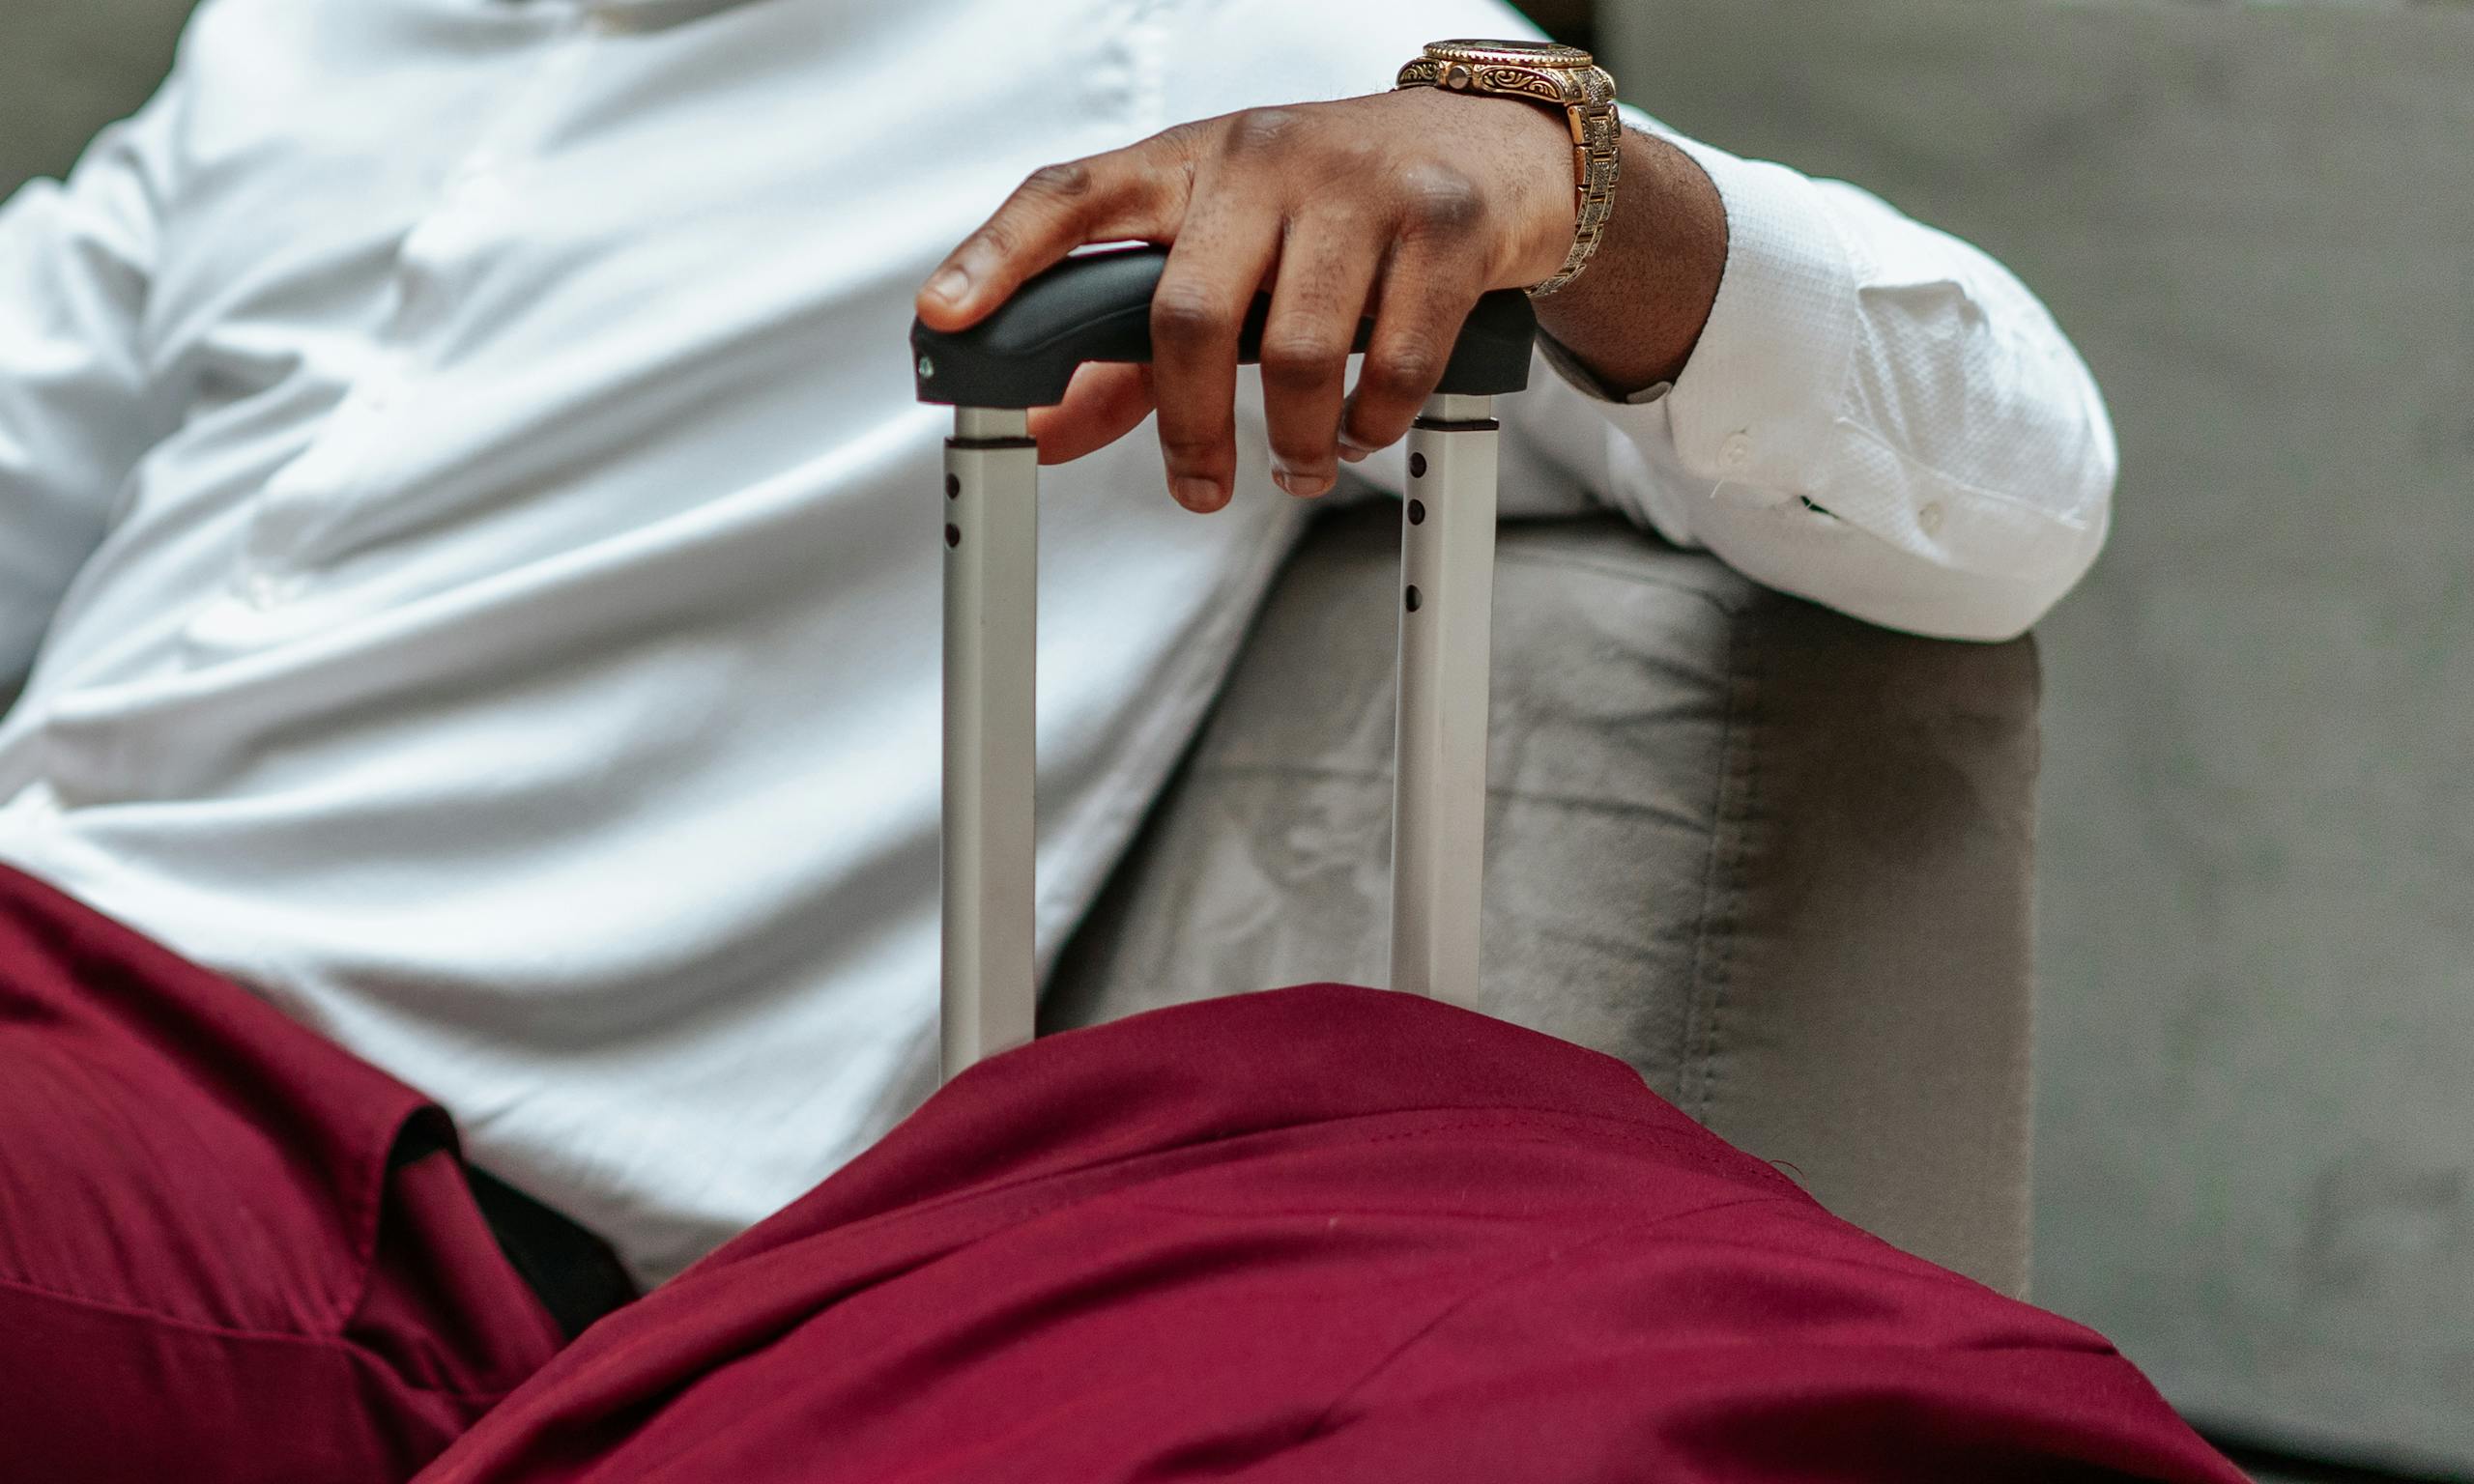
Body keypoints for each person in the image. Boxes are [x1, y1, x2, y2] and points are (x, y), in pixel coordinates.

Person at [0, 0, 2139, 1477]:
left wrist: (1557, 179)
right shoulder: (312, 40)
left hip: (371, 1203)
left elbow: (2007, 488)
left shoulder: (1198, 45)